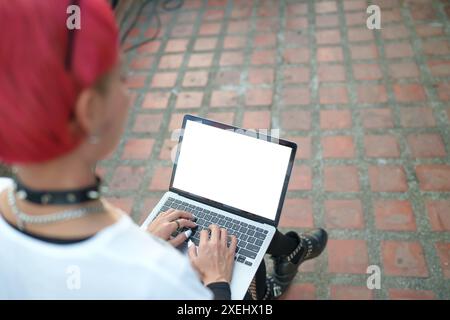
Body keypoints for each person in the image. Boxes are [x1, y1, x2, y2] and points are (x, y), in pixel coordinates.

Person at [0, 0, 327, 300]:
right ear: (90, 111)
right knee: (234, 239)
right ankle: (270, 288)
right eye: (121, 78)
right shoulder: (157, 279)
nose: (128, 95)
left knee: (235, 222)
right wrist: (217, 281)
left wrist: (146, 243)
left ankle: (287, 252)